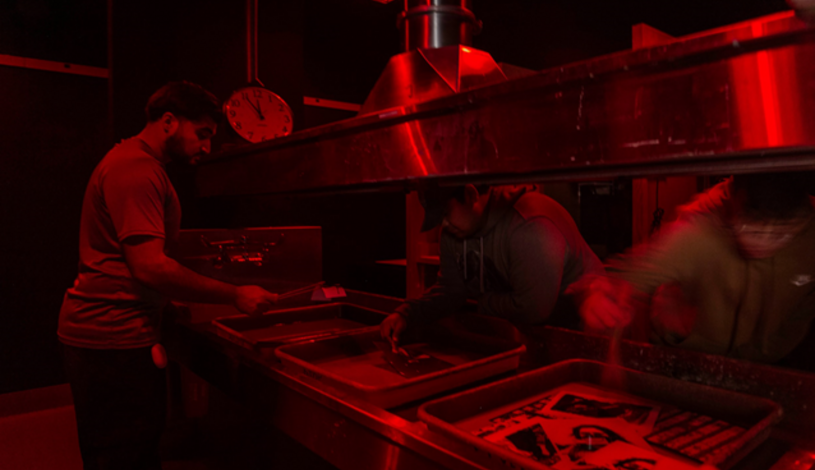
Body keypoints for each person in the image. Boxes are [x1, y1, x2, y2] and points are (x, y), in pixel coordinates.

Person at [58, 81, 279, 470]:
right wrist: (234, 294)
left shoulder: (134, 161)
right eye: (203, 134)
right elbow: (150, 265)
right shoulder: (137, 170)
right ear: (168, 121)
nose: (207, 147)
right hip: (112, 337)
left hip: (112, 333)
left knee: (129, 450)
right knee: (122, 456)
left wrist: (169, 301)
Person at [579, 172, 815, 363]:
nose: (764, 243)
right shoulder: (697, 232)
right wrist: (599, 295)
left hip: (775, 368)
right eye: (752, 230)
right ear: (735, 205)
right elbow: (622, 277)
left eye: (782, 235)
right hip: (689, 363)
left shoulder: (810, 237)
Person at [380, 183, 604, 348]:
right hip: (527, 340)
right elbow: (450, 291)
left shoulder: (529, 225)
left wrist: (482, 302)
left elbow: (533, 309)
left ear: (470, 194)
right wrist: (406, 314)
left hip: (584, 335)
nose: (443, 225)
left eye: (446, 214)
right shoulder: (453, 233)